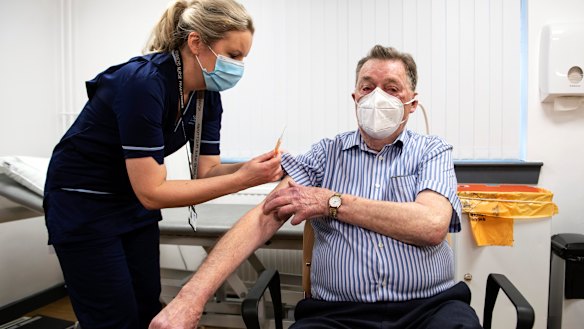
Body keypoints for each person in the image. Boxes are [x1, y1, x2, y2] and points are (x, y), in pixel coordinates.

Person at [148, 45, 482, 329]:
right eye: (367, 87)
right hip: (337, 314)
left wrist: (331, 202)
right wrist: (190, 298)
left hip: (429, 310)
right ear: (355, 98)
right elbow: (265, 216)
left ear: (411, 102)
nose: (377, 97)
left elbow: (431, 225)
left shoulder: (432, 151)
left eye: (392, 88)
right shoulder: (325, 154)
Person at [43, 1, 283, 328]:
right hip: (84, 204)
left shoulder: (205, 95)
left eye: (244, 57)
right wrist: (244, 180)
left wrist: (253, 169)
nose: (239, 66)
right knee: (114, 318)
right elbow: (153, 193)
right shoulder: (143, 83)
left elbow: (208, 171)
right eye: (234, 54)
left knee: (146, 306)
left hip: (131, 203)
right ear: (196, 42)